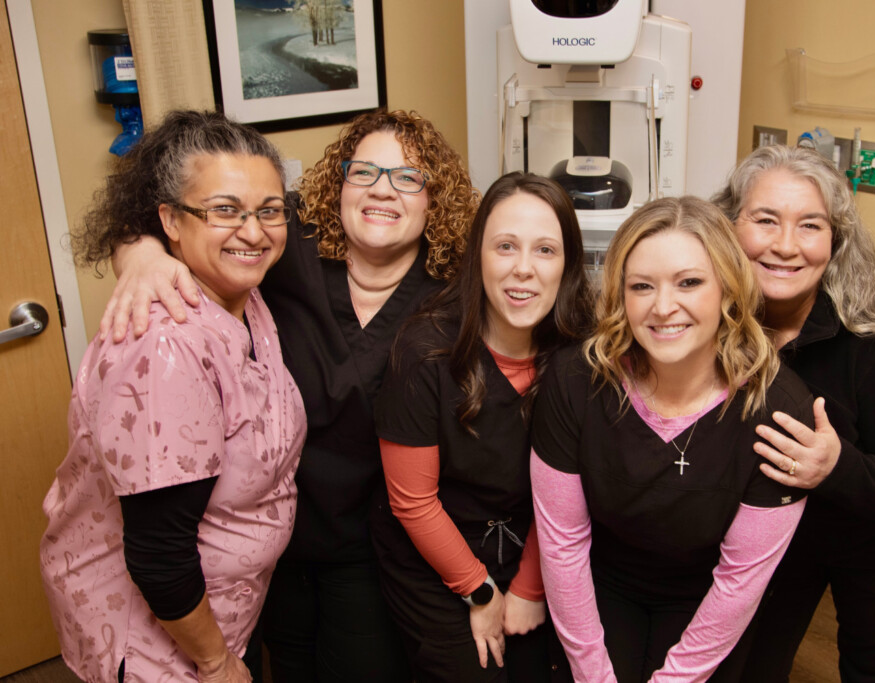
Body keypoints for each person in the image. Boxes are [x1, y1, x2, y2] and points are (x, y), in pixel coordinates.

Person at [98, 110, 478, 681]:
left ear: (435, 200)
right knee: (286, 665)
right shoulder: (281, 240)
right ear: (337, 185)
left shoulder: (454, 290)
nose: (382, 188)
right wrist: (144, 256)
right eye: (364, 171)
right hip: (256, 538)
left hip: (370, 545)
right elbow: (163, 215)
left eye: (408, 177)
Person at [40, 110, 306, 682]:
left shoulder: (244, 293)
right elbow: (160, 556)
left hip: (228, 606)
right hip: (164, 644)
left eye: (268, 210)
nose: (253, 231)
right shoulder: (164, 349)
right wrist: (215, 663)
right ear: (171, 221)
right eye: (224, 211)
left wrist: (137, 247)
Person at [530, 196, 814, 683]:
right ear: (621, 295)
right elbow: (563, 545)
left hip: (707, 597)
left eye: (689, 282)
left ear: (727, 288)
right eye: (642, 286)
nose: (663, 307)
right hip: (602, 584)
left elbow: (740, 578)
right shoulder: (576, 380)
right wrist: (591, 672)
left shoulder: (778, 407)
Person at [711, 145, 875, 682]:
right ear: (728, 227)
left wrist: (835, 467)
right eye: (765, 220)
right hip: (786, 521)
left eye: (810, 225)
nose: (785, 246)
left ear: (835, 240)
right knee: (751, 661)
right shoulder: (711, 316)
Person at [371, 172, 591, 682]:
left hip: (536, 548)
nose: (523, 270)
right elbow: (413, 501)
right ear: (479, 256)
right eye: (505, 246)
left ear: (568, 265)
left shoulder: (582, 356)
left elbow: (565, 495)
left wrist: (531, 587)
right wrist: (480, 590)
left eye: (545, 251)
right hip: (433, 554)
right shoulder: (424, 350)